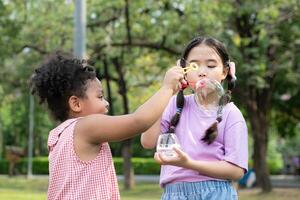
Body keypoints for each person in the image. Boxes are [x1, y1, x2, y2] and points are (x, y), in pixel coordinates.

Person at [30, 52, 185, 200]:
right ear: (76, 104)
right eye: (100, 96)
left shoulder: (57, 135)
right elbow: (139, 121)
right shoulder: (86, 126)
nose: (106, 103)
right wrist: (167, 88)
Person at [141, 36, 248, 200]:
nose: (202, 71)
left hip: (216, 193)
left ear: (224, 72)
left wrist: (188, 164)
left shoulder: (231, 114)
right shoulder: (172, 104)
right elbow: (147, 142)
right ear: (183, 70)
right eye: (194, 65)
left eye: (211, 65)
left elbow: (236, 171)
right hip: (174, 194)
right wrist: (168, 89)